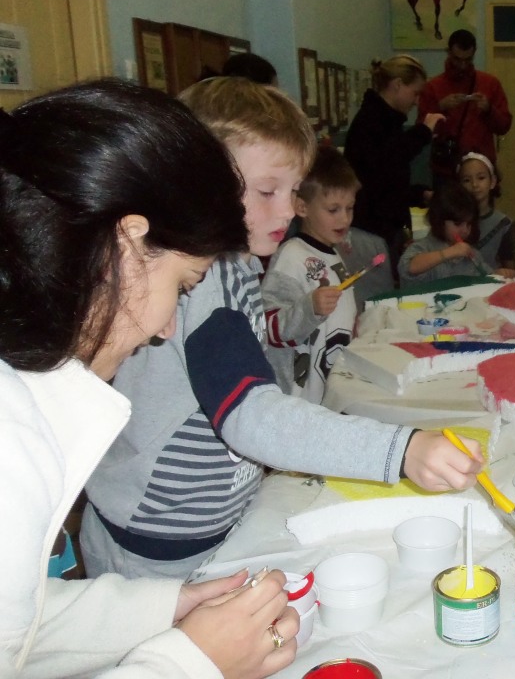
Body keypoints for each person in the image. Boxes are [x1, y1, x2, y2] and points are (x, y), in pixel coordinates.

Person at [82, 77, 481, 581]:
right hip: (154, 545)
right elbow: (249, 413)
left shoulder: (238, 263)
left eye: (293, 192)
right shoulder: (206, 280)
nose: (288, 209)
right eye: (267, 191)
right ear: (197, 181)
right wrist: (401, 449)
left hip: (206, 526)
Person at [0, 78, 300, 677]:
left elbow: (16, 625)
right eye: (183, 285)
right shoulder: (11, 446)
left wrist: (160, 610)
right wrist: (191, 664)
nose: (166, 329)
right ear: (128, 244)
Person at [263, 146, 368, 403]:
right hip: (298, 399)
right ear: (302, 207)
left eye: (350, 208)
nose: (345, 219)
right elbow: (269, 328)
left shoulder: (333, 254)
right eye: (333, 210)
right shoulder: (291, 256)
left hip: (330, 389)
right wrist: (309, 307)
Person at [347, 54, 443, 283]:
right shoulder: (371, 121)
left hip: (385, 224)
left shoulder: (388, 120)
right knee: (381, 287)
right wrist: (423, 132)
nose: (416, 101)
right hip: (372, 228)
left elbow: (389, 179)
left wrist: (419, 194)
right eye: (415, 93)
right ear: (398, 84)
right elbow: (382, 170)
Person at [417, 30, 512, 186]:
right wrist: (440, 107)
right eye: (457, 59)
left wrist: (489, 110)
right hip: (446, 169)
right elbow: (421, 130)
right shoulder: (433, 87)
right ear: (449, 53)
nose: (462, 65)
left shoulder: (490, 84)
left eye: (468, 59)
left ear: (474, 54)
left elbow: (504, 126)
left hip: (480, 168)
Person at [398, 181, 490, 285]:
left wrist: (498, 274)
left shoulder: (472, 254)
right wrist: (448, 253)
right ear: (439, 221)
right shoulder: (422, 247)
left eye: (469, 224)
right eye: (457, 223)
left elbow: (487, 275)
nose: (465, 230)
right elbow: (409, 267)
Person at [458, 152, 515, 278]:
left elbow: (509, 266)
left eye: (481, 178)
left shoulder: (503, 223)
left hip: (491, 282)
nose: (474, 184)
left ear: (492, 181)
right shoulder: (453, 220)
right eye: (467, 180)